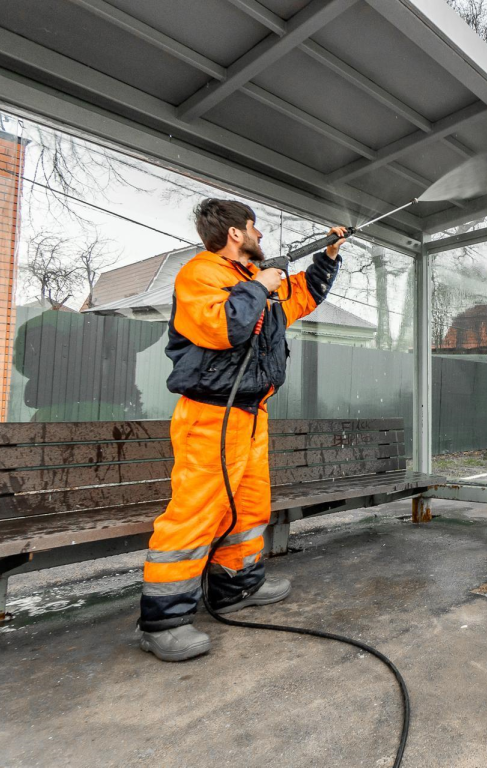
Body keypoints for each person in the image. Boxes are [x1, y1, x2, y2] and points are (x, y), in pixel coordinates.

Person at [138, 198, 346, 662]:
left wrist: (328, 255)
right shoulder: (201, 275)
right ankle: (164, 620)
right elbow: (222, 327)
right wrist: (260, 287)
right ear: (236, 233)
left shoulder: (256, 282)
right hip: (211, 416)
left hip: (252, 417)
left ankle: (237, 588)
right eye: (255, 229)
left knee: (249, 508)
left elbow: (303, 294)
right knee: (194, 514)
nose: (260, 237)